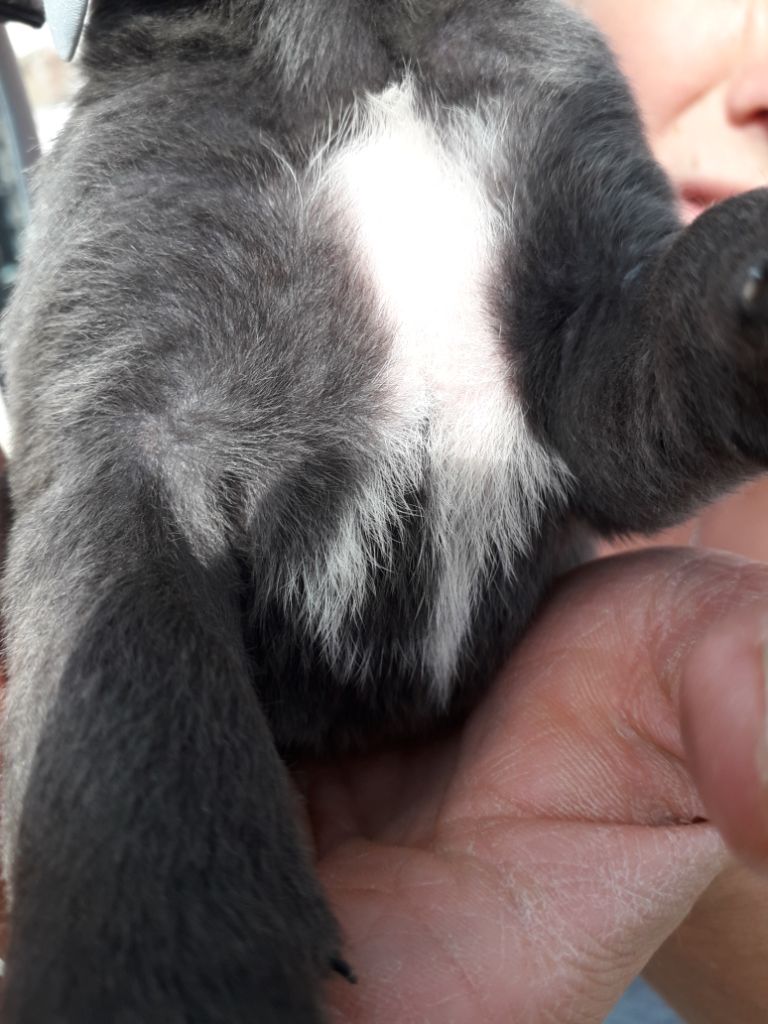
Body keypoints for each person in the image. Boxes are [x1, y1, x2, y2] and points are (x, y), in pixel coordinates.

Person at [2, 3, 768, 1022]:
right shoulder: (153, 137)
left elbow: (620, 389)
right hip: (258, 748)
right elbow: (114, 506)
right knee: (117, 528)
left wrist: (732, 320)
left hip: (511, 745)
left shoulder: (544, 64)